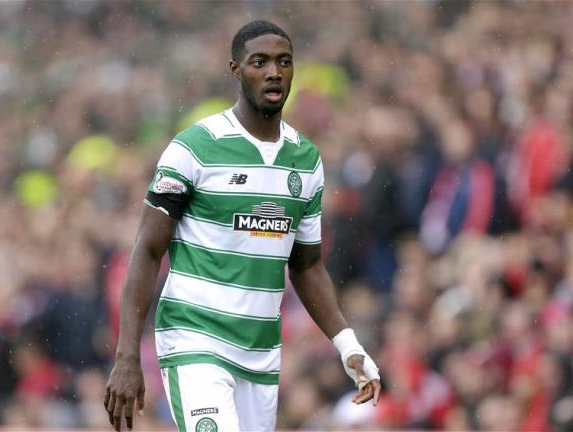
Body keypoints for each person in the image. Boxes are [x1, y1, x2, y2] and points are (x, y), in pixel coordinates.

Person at [104, 20, 380, 432]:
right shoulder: (193, 149)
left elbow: (306, 266)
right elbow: (147, 249)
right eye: (260, 62)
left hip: (260, 353)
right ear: (236, 70)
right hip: (194, 342)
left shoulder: (306, 160)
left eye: (284, 62)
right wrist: (126, 356)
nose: (274, 72)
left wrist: (347, 345)